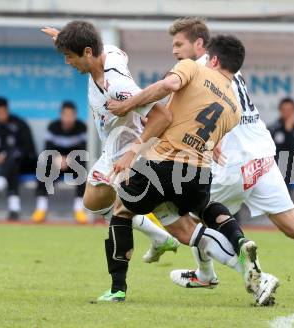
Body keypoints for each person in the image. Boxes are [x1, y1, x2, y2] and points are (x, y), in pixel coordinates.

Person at [148, 17, 294, 302]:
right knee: (293, 223)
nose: (175, 51)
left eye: (178, 44)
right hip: (263, 157)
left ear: (199, 44)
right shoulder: (230, 68)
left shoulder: (201, 69)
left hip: (232, 162)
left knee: (191, 218)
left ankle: (216, 276)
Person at [106, 34, 277, 306]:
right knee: (198, 217)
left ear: (214, 59)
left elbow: (167, 86)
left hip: (163, 164)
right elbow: (211, 138)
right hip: (198, 174)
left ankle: (116, 289)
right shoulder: (234, 106)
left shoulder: (193, 67)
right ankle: (241, 244)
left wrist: (127, 104)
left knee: (121, 209)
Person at [41, 20, 180, 300]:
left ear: (88, 52)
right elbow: (113, 52)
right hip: (112, 149)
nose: (67, 62)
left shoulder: (117, 86)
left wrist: (132, 153)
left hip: (128, 153)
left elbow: (163, 116)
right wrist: (64, 38)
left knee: (135, 216)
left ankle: (120, 287)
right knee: (93, 202)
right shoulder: (108, 53)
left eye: (69, 56)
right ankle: (161, 237)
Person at [31, 101, 88, 223]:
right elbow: (47, 148)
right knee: (43, 165)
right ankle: (41, 207)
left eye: (71, 115)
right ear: (61, 115)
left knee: (82, 166)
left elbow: (83, 149)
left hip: (74, 164)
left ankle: (79, 208)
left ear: (75, 115)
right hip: (56, 164)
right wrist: (58, 159)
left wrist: (68, 160)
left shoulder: (81, 127)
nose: (68, 118)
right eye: (65, 115)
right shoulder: (53, 127)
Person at [0, 97, 37, 220]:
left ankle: (0, 181)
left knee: (13, 156)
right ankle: (14, 209)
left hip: (26, 164)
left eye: (4, 111)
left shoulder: (19, 124)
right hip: (7, 168)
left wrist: (6, 154)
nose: (2, 115)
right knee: (12, 167)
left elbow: (29, 149)